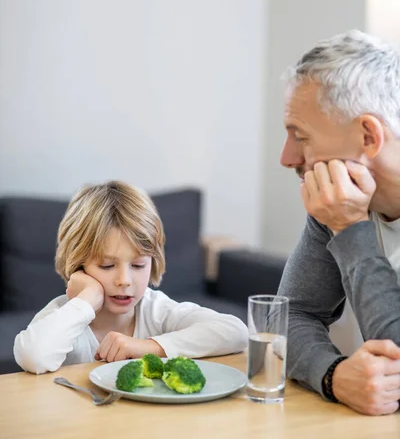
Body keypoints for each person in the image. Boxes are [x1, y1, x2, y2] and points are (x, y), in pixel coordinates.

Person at [277, 30, 400, 416]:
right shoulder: (336, 205)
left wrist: (351, 230)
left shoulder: (342, 213)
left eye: (302, 136)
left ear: (368, 136)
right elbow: (288, 316)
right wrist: (332, 374)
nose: (287, 157)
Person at [14, 181, 247, 374]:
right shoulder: (65, 314)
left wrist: (149, 347)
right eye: (107, 265)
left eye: (138, 264)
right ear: (78, 264)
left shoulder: (156, 311)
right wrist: (86, 301)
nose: (124, 280)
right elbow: (34, 356)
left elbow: (235, 332)